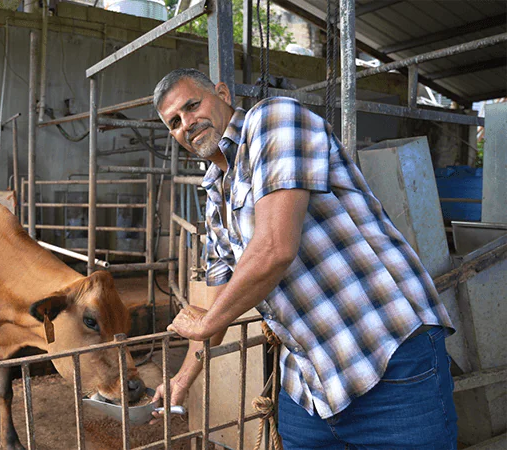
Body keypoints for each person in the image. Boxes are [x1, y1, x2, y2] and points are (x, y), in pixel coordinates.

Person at [148, 68, 458, 449]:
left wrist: (207, 321)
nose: (187, 124)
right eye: (174, 123)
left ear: (223, 94)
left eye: (192, 106)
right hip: (311, 383)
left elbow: (275, 247)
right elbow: (217, 307)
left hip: (385, 353)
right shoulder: (215, 196)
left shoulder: (272, 120)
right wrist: (182, 379)